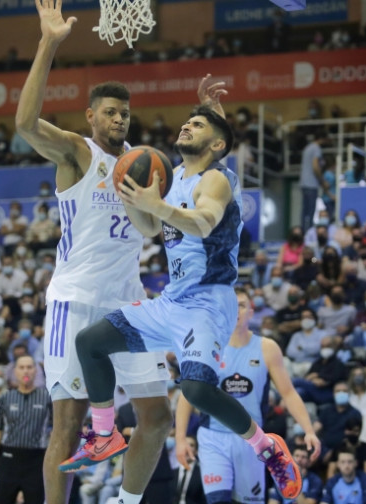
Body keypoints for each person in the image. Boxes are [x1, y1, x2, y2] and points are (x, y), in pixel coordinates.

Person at [15, 5, 225, 504]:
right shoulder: (76, 153)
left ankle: (126, 502)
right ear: (91, 117)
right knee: (69, 420)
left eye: (124, 113)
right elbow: (24, 123)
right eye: (109, 112)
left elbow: (196, 168)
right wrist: (49, 43)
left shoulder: (144, 166)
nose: (118, 118)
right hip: (75, 300)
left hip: (128, 304)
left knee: (154, 415)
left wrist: (209, 116)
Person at [61, 101, 308, 501]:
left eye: (198, 124)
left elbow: (204, 221)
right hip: (172, 302)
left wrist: (156, 204)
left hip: (210, 301)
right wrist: (132, 199)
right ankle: (104, 434)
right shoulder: (171, 176)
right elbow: (151, 226)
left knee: (194, 390)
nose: (187, 126)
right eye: (187, 121)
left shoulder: (217, 180)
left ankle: (267, 447)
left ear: (217, 145)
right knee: (90, 343)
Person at [175, 288, 321, 504]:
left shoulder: (267, 348)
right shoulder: (208, 345)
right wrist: (180, 439)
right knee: (218, 500)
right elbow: (188, 394)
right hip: (212, 437)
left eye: (241, 305)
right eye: (231, 305)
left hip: (253, 439)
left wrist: (309, 430)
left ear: (251, 312)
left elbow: (288, 393)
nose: (235, 311)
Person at [0, 355, 51, 504]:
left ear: (36, 371)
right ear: (15, 372)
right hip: (9, 459)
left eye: (29, 367)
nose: (25, 371)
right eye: (21, 367)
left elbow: (55, 433)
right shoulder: (6, 398)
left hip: (36, 460)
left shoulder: (47, 398)